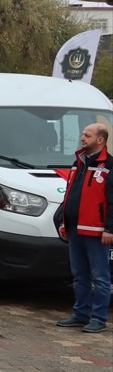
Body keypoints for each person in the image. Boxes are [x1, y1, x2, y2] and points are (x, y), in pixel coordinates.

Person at [54, 123, 112, 334]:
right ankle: (80, 314)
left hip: (96, 232)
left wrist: (109, 229)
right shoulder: (78, 163)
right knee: (79, 275)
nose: (82, 138)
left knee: (100, 277)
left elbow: (112, 201)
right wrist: (64, 222)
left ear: (100, 140)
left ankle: (98, 318)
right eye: (83, 134)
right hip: (75, 229)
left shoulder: (109, 166)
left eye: (87, 135)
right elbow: (70, 195)